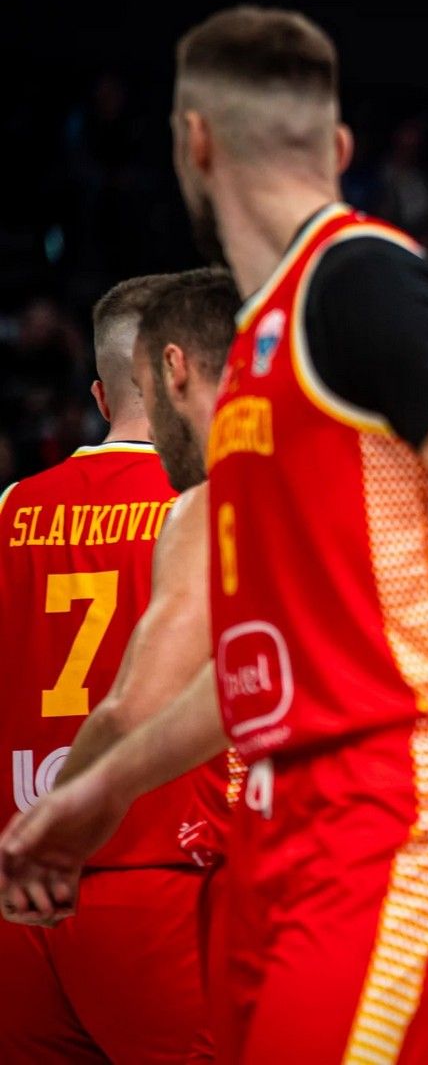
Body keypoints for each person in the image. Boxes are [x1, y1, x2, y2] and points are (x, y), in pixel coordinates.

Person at [0, 5, 428, 1063]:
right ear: (335, 145)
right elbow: (255, 669)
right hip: (274, 818)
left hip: (392, 800)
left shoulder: (362, 277)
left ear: (194, 144)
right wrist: (97, 792)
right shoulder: (259, 351)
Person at [0, 272, 209, 1062]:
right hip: (160, 878)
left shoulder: (11, 508)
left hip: (21, 895)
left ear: (100, 393)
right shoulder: (205, 506)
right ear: (182, 373)